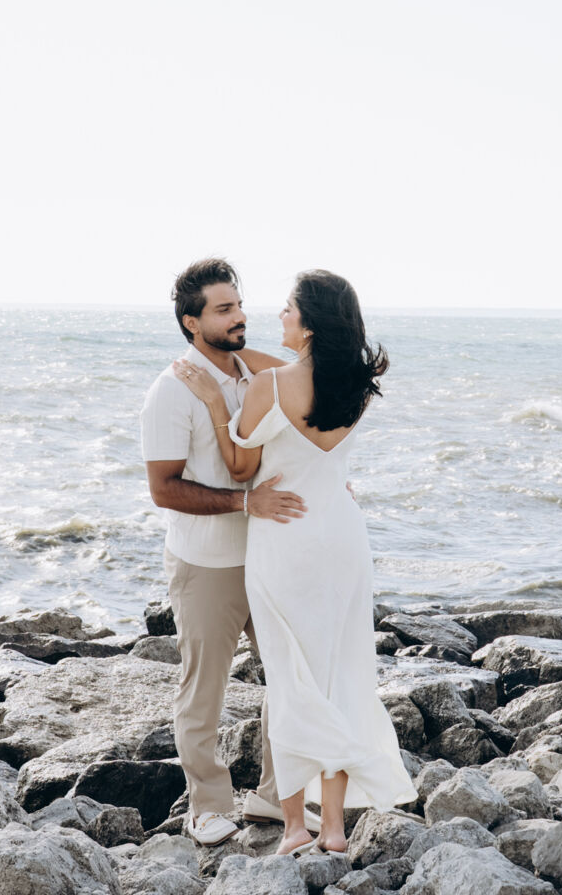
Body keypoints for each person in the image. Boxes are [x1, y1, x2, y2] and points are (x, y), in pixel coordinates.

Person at [172, 268, 413, 856]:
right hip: (342, 538)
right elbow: (303, 398)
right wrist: (234, 359)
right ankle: (333, 828)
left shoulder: (269, 386)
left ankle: (294, 828)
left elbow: (240, 467)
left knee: (287, 676)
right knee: (337, 674)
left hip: (285, 538)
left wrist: (213, 397)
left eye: (287, 308)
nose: (277, 315)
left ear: (307, 325)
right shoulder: (357, 385)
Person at [140, 258, 317, 845]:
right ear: (192, 323)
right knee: (204, 689)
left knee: (291, 678)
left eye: (238, 305)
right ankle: (207, 805)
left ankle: (274, 796)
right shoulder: (171, 391)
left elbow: (310, 389)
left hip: (270, 555)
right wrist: (245, 503)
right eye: (224, 310)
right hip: (207, 565)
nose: (239, 317)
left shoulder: (258, 375)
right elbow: (164, 489)